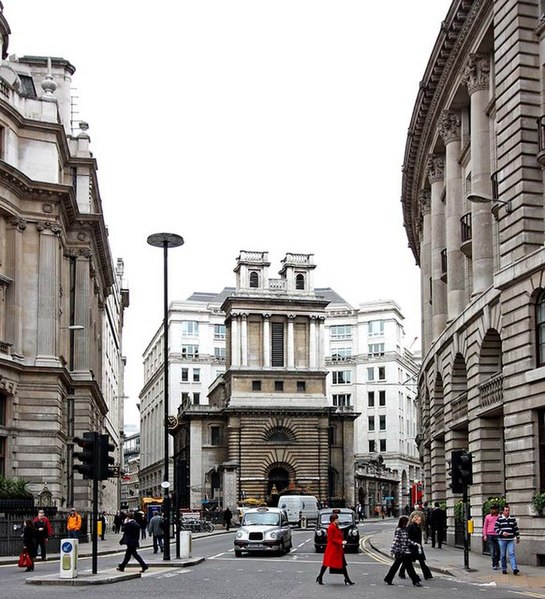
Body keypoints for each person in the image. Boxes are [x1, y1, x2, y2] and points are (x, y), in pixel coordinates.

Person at [316, 513, 354, 586]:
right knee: (326, 564)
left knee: (342, 564)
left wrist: (342, 541)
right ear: (333, 520)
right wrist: (341, 542)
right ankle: (320, 577)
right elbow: (331, 539)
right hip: (332, 549)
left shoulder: (335, 526)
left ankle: (347, 579)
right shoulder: (331, 527)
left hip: (337, 549)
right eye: (337, 519)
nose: (338, 520)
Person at [384, 515, 422, 587]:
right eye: (406, 522)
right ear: (403, 522)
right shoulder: (398, 530)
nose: (407, 523)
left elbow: (407, 540)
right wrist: (392, 551)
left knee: (405, 567)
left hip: (405, 552)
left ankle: (388, 579)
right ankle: (415, 581)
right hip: (400, 552)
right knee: (402, 567)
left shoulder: (404, 530)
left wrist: (415, 544)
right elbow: (396, 541)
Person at [398, 512, 433, 581]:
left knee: (421, 561)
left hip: (418, 547)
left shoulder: (417, 527)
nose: (420, 521)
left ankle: (427, 575)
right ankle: (401, 573)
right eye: (419, 520)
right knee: (408, 561)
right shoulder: (411, 526)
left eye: (420, 520)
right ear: (415, 520)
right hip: (413, 547)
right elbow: (407, 536)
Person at [494, 504, 520, 575]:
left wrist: (518, 537)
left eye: (508, 510)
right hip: (502, 539)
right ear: (503, 511)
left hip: (511, 539)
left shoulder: (512, 519)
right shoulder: (499, 519)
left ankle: (514, 569)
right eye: (506, 511)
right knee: (503, 555)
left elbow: (515, 528)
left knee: (511, 553)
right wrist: (502, 532)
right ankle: (504, 568)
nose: (507, 512)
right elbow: (495, 528)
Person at [483, 503, 500, 570]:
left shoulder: (499, 517)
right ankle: (494, 564)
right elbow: (485, 526)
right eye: (491, 509)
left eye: (494, 509)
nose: (492, 510)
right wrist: (485, 535)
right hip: (490, 535)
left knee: (499, 551)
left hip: (498, 535)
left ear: (496, 510)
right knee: (493, 551)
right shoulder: (487, 517)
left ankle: (497, 562)